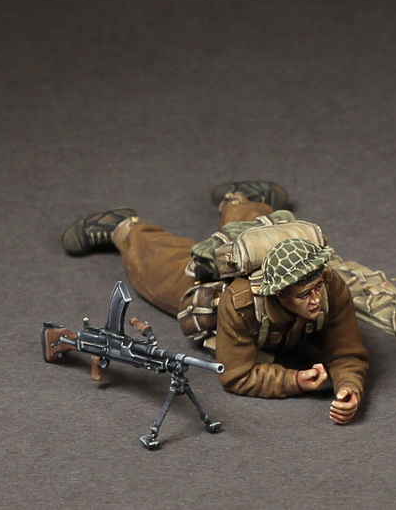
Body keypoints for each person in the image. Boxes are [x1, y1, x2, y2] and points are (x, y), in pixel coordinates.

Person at [59, 181, 369, 424]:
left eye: (317, 287)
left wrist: (349, 386)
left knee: (257, 230)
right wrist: (295, 380)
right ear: (279, 293)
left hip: (266, 270)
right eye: (304, 294)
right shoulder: (241, 303)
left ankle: (241, 198)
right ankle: (123, 226)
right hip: (215, 289)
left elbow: (348, 352)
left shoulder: (330, 286)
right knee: (159, 270)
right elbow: (237, 375)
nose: (316, 299)